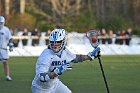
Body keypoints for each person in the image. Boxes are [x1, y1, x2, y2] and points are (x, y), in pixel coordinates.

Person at [31, 29, 100, 93]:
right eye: (53, 42)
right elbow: (42, 77)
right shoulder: (46, 56)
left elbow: (75, 58)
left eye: (58, 42)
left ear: (63, 41)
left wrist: (89, 56)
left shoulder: (64, 51)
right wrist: (56, 72)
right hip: (40, 89)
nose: (55, 45)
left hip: (54, 84)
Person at [0, 16, 14, 81]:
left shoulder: (6, 29)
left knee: (5, 62)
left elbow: (10, 38)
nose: (0, 24)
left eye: (1, 23)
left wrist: (11, 45)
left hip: (3, 49)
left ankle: (7, 76)